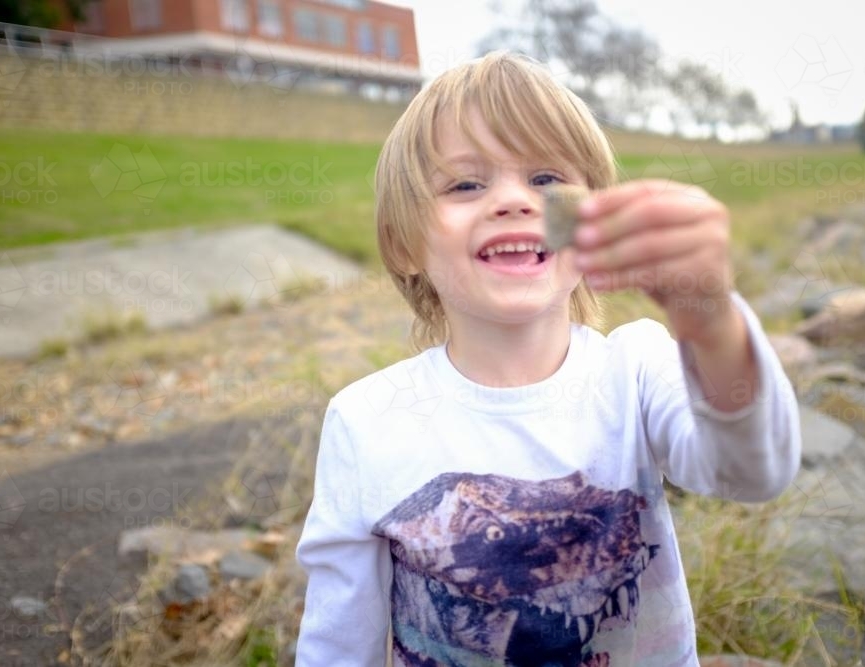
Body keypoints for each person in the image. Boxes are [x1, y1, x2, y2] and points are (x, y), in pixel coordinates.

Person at [294, 51, 801, 666]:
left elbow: (753, 473)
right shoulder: (366, 419)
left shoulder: (637, 369)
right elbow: (340, 645)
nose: (512, 200)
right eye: (465, 183)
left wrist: (710, 319)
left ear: (595, 222)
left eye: (547, 179)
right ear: (404, 241)